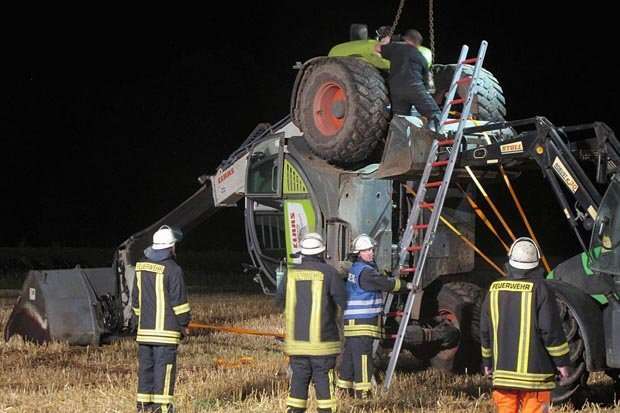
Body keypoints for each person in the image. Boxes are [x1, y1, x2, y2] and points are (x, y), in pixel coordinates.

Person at [480, 237, 572, 413]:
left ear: (510, 262)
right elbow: (550, 331)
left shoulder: (494, 289)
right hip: (536, 378)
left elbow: (485, 331)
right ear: (537, 263)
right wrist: (562, 364)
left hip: (503, 376)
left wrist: (487, 362)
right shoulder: (541, 289)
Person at [275, 232, 347, 413]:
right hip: (323, 344)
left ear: (302, 253)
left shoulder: (290, 274)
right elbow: (343, 302)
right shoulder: (330, 273)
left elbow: (279, 303)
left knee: (298, 382)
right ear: (322, 252)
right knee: (323, 384)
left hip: (297, 344)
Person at [336, 234, 410, 398]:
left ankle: (343, 389)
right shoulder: (366, 273)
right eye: (366, 250)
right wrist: (407, 285)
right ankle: (363, 392)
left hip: (352, 322)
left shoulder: (356, 268)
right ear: (359, 253)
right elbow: (387, 284)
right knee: (363, 358)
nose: (370, 253)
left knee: (349, 357)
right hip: (363, 322)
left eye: (371, 249)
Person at [132, 225, 191, 413]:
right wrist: (184, 324)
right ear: (171, 247)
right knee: (164, 370)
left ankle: (143, 406)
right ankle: (162, 408)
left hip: (144, 332)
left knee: (146, 370)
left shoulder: (140, 266)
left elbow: (136, 300)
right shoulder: (173, 269)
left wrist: (137, 322)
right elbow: (179, 302)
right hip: (166, 333)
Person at [374, 28, 441, 128]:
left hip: (396, 92)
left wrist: (386, 41)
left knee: (399, 121)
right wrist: (428, 92)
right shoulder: (421, 57)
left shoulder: (396, 48)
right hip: (414, 88)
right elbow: (428, 81)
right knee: (434, 113)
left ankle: (398, 142)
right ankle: (437, 137)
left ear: (405, 38)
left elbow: (377, 48)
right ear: (418, 43)